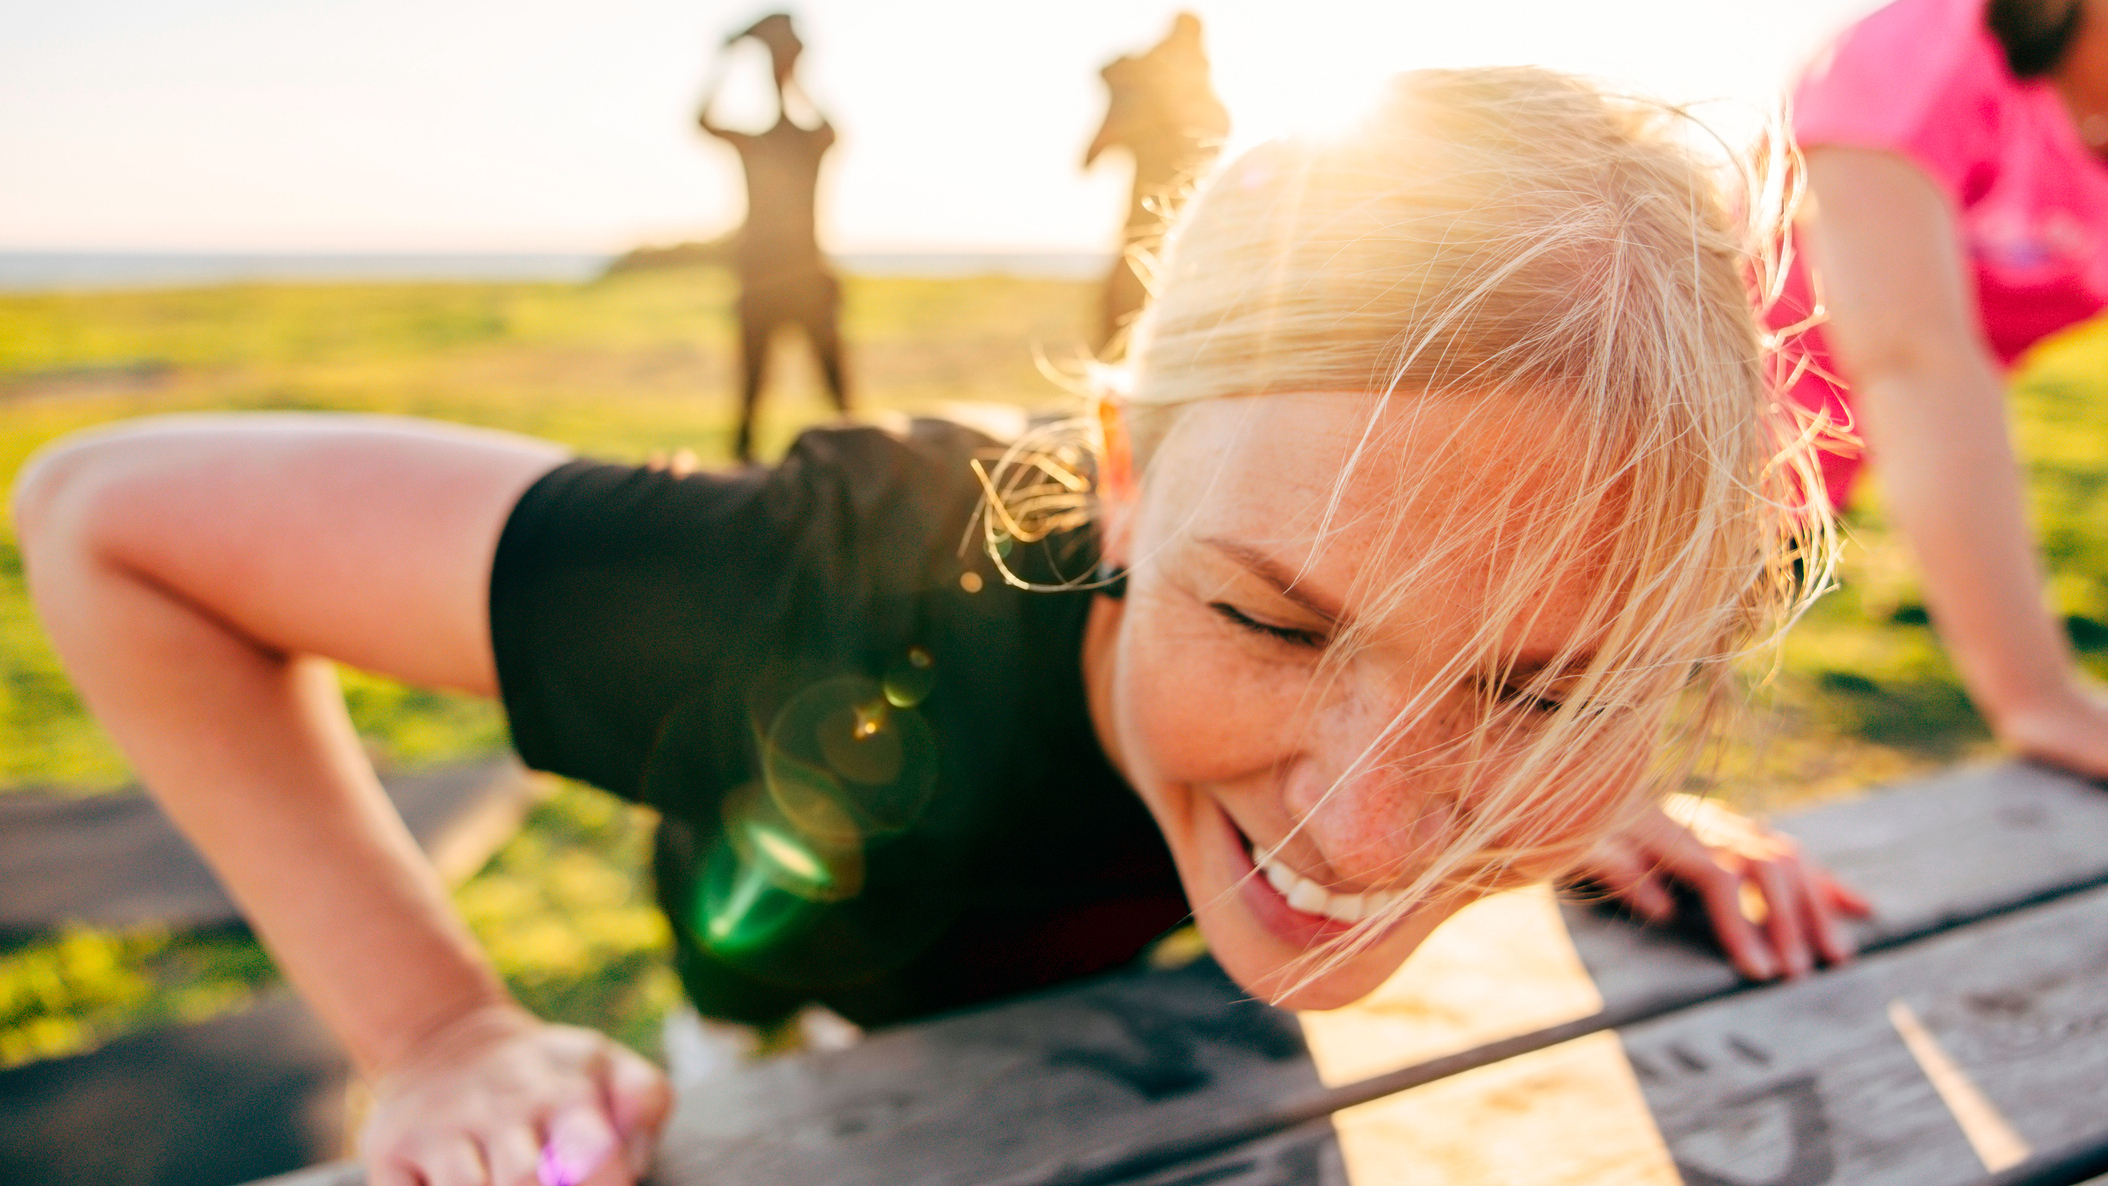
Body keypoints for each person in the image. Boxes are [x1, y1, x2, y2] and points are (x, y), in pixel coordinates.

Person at [16, 68, 1864, 1186]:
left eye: (1541, 677)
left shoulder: (1599, 644)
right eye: (1271, 622)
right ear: (1123, 472)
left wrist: (1571, 794)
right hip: (809, 1036)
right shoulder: (821, 592)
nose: (1371, 834)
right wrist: (428, 1029)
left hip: (1149, 1017)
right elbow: (108, 521)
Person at [1768, 0, 2108, 779]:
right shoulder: (1922, 53)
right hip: (1655, 452)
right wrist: (2043, 695)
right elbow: (1914, 360)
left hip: (1818, 483)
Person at [697, 12, 849, 463]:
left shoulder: (772, 143)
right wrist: (787, 75)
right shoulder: (785, 141)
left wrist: (732, 60)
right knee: (755, 402)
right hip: (783, 282)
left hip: (785, 282)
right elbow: (701, 123)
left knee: (822, 396)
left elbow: (701, 121)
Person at [1083, 12, 1231, 354]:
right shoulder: (1147, 96)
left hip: (1176, 237)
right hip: (1153, 235)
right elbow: (1090, 156)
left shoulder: (1181, 99)